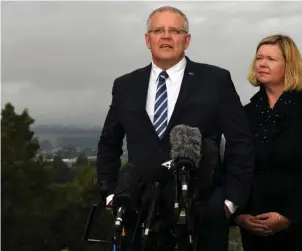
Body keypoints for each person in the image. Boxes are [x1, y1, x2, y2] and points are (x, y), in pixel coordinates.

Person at [95, 5, 255, 251]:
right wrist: (111, 193)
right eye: (158, 30)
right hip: (139, 215)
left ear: (187, 39)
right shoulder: (126, 85)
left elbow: (240, 141)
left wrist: (230, 200)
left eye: (175, 30)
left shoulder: (216, 80)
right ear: (148, 40)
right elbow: (109, 142)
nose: (166, 36)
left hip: (202, 213)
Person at [233, 34, 302, 251]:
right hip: (257, 228)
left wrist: (288, 216)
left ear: (289, 65)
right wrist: (239, 216)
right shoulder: (245, 114)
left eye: (271, 59)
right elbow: (235, 166)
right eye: (259, 58)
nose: (262, 64)